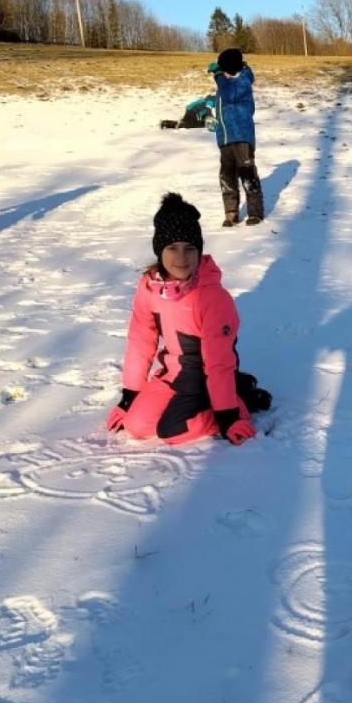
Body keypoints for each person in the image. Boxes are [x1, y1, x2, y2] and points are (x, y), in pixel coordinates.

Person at [105, 192, 270, 445]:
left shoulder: (213, 297)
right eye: (172, 248)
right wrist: (129, 397)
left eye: (190, 249)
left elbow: (218, 361)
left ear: (199, 250)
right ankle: (224, 396)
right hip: (173, 375)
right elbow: (141, 341)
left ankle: (236, 402)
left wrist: (228, 416)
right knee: (137, 426)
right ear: (160, 251)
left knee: (172, 430)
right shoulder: (150, 287)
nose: (181, 259)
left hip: (207, 378)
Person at [208, 48, 263, 227]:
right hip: (224, 137)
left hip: (241, 136)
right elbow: (224, 100)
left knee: (247, 174)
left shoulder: (242, 81)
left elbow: (230, 95)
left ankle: (255, 212)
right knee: (227, 175)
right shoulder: (226, 83)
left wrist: (217, 76)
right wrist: (209, 107)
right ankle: (231, 211)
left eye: (222, 69)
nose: (220, 73)